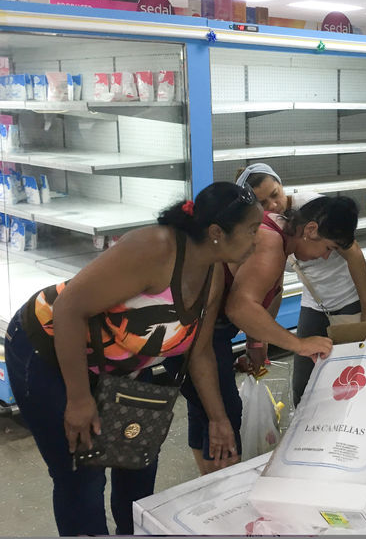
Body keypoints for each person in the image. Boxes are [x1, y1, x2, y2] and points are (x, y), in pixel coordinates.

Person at [3, 182, 263, 536]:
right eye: (252, 230)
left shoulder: (213, 271)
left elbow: (199, 350)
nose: (257, 240)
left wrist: (218, 419)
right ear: (217, 232)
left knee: (138, 461)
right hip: (49, 352)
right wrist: (79, 400)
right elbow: (68, 309)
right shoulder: (154, 248)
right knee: (83, 476)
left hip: (120, 366)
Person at [235, 163, 366, 406]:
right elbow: (269, 291)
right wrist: (261, 340)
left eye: (275, 194)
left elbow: (353, 254)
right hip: (316, 301)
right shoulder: (270, 235)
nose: (272, 205)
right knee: (305, 381)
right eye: (262, 203)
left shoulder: (314, 209)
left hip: (350, 297)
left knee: (356, 375)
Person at [225, 195, 362, 404]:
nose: (325, 257)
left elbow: (270, 293)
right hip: (201, 335)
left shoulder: (276, 225)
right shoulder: (271, 244)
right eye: (328, 248)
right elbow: (240, 308)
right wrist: (299, 344)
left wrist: (256, 342)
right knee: (221, 419)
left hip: (204, 331)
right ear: (310, 230)